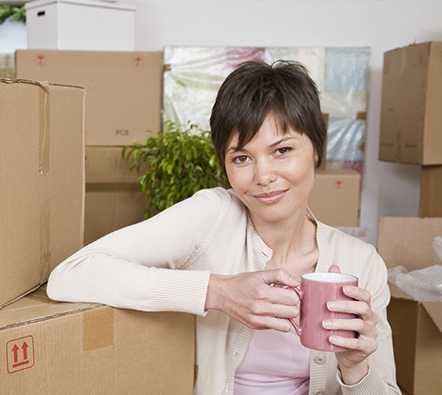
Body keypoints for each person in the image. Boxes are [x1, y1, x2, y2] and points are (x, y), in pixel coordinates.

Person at [47, 60, 399, 395]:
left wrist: (356, 370)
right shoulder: (213, 216)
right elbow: (72, 274)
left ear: (317, 150)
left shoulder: (361, 263)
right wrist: (216, 292)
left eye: (282, 150)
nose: (263, 177)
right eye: (242, 158)